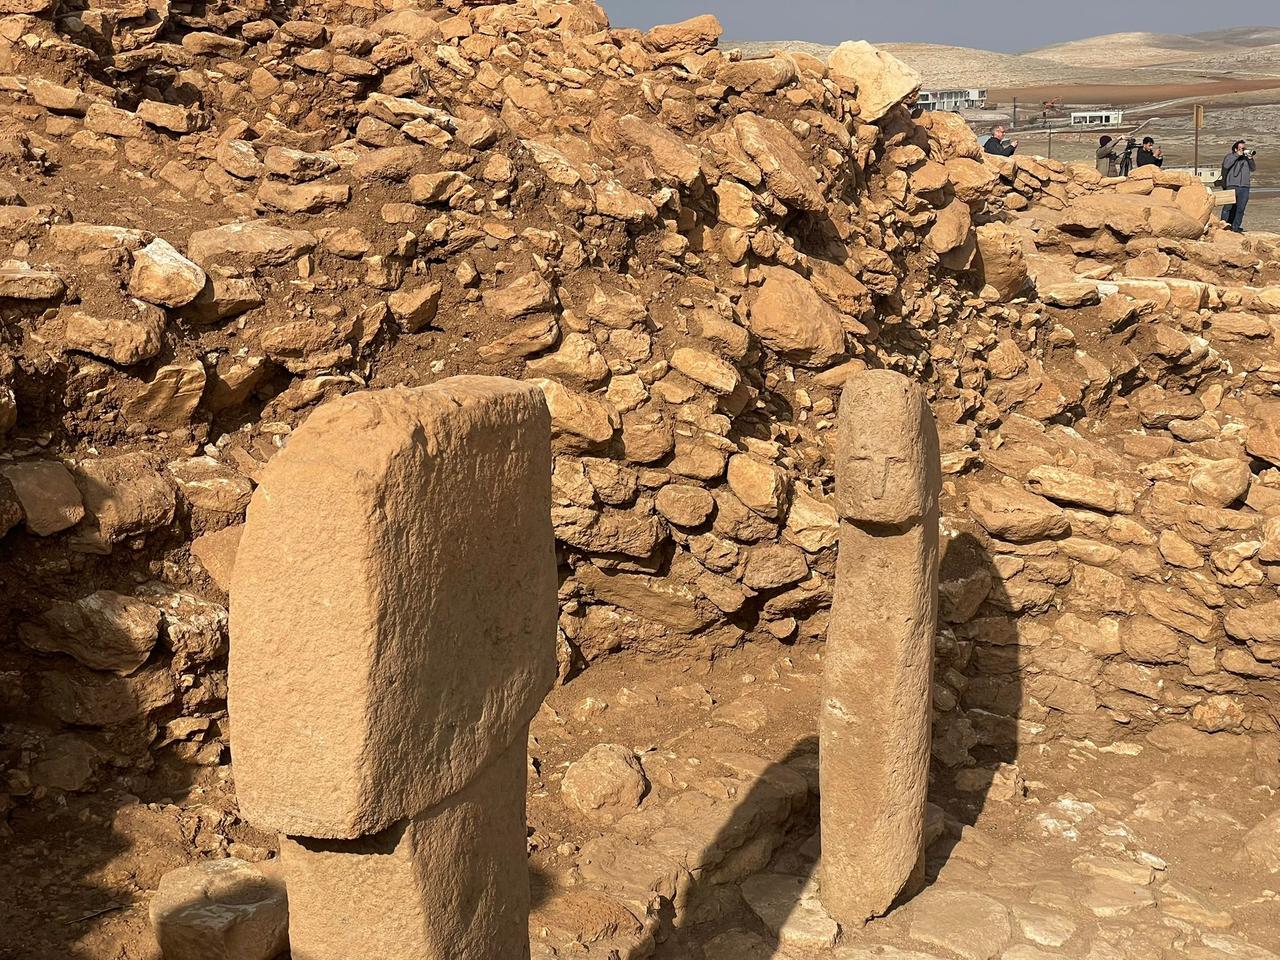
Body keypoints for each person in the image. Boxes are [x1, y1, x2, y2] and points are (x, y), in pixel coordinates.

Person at [1221, 140, 1256, 233]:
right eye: (1241, 148)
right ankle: (1224, 226)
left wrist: (1250, 158)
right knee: (1228, 207)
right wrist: (1237, 155)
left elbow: (1253, 168)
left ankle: (1236, 227)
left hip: (1244, 186)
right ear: (1236, 149)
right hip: (1232, 185)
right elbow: (1226, 165)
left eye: (1244, 148)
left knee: (1240, 208)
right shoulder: (1230, 156)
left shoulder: (1246, 159)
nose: (1243, 150)